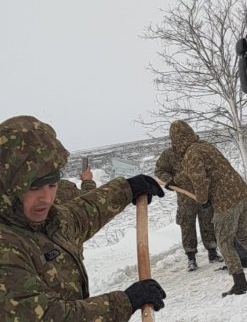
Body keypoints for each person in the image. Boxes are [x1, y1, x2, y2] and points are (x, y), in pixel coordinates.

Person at [0, 115, 167, 320]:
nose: (46, 198)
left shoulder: (50, 221)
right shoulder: (6, 245)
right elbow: (47, 317)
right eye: (34, 187)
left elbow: (85, 212)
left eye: (52, 185)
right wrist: (125, 301)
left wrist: (128, 188)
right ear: (8, 188)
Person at [169, 120, 247, 297]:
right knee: (244, 234)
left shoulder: (191, 154)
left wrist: (202, 200)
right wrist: (176, 181)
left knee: (224, 241)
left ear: (175, 140)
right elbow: (197, 171)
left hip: (225, 202)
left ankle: (240, 283)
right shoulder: (205, 146)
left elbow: (199, 179)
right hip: (242, 194)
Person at [155, 145, 223, 271]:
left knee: (209, 224)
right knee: (187, 227)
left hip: (204, 195)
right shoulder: (169, 154)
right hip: (185, 199)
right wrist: (170, 180)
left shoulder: (196, 149)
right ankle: (191, 258)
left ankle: (213, 253)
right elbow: (159, 170)